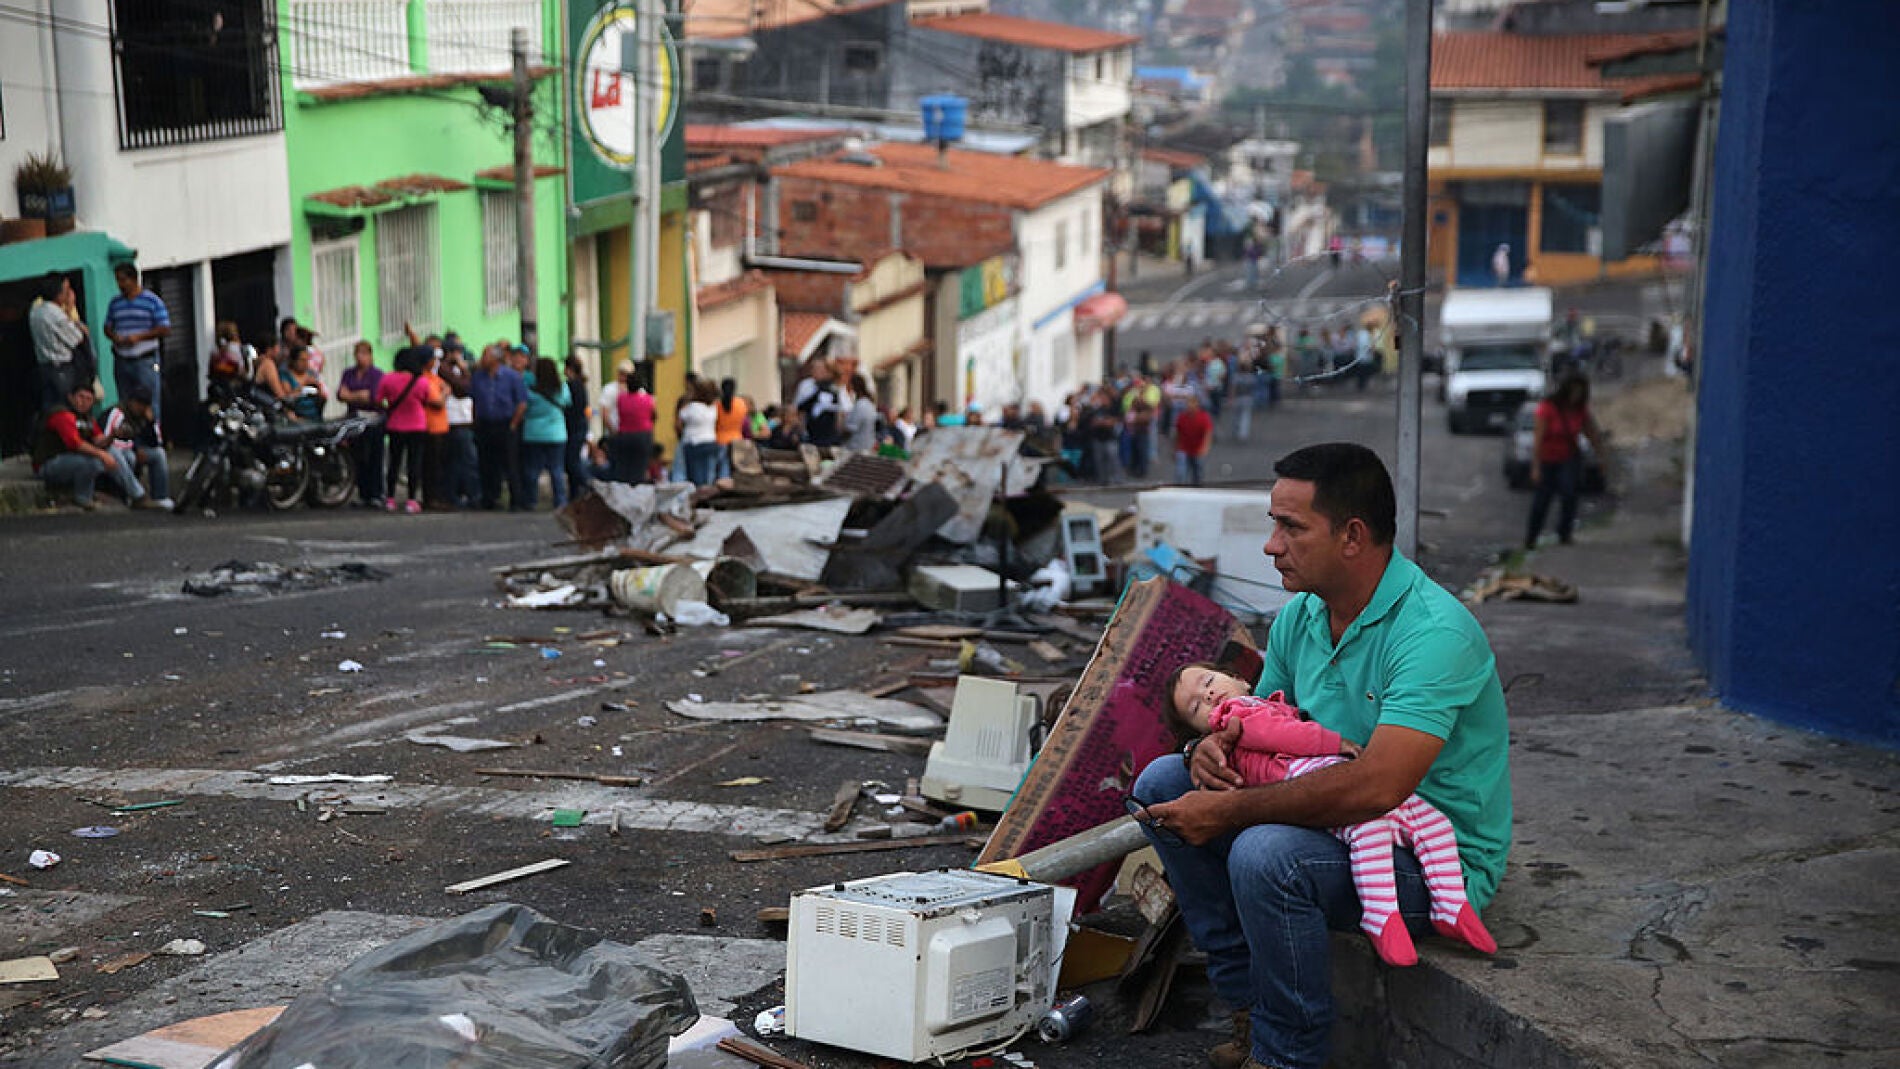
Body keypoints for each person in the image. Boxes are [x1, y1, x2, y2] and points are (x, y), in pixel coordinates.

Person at [1130, 443, 1511, 1069]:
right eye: (1274, 524)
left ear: (1353, 536)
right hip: (1336, 822)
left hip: (1424, 854)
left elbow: (1377, 787)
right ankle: (1249, 1007)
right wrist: (1206, 750)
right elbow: (1258, 722)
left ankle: (1289, 1057)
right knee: (1162, 781)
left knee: (1264, 853)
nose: (1270, 546)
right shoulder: (1302, 616)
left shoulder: (1434, 634)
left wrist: (1229, 812)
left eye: (1291, 527)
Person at [1162, 667, 1496, 967]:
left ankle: (1451, 906)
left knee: (1432, 821)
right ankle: (1381, 915)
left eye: (1207, 682)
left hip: (1330, 777)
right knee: (1367, 826)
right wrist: (1336, 743)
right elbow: (1283, 736)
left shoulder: (1260, 702)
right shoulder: (1238, 712)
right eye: (1196, 707)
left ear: (1240, 679)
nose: (1207, 695)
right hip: (1303, 773)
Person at [32, 383, 151, 510]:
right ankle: (83, 498)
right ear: (71, 397)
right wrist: (102, 454)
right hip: (49, 463)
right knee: (94, 461)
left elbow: (99, 441)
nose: (84, 402)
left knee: (116, 453)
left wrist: (112, 436)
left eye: (88, 399)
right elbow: (75, 443)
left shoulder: (88, 418)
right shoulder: (62, 414)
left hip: (72, 460)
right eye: (80, 397)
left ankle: (129, 495)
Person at [1525, 374, 1606, 549]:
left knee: (1569, 494)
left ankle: (1564, 533)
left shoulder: (1580, 410)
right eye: (1574, 391)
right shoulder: (1548, 408)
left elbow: (1592, 433)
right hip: (1547, 457)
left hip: (1568, 457)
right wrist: (1536, 467)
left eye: (1580, 392)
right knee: (1542, 500)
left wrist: (1600, 457)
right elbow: (1538, 439)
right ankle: (1531, 537)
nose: (1576, 395)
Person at [104, 263, 171, 427]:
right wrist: (115, 337)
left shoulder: (152, 301)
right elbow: (107, 326)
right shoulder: (115, 303)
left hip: (145, 360)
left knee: (150, 400)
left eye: (123, 280)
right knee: (125, 401)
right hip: (122, 359)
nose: (120, 285)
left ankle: (152, 437)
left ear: (134, 279)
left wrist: (139, 337)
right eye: (117, 280)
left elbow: (164, 328)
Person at [469, 343, 528, 509]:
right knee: (486, 463)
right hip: (485, 424)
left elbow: (521, 403)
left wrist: (513, 424)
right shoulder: (478, 377)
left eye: (486, 355)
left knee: (510, 463)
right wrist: (475, 421)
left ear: (495, 358)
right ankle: (489, 497)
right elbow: (474, 400)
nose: (483, 359)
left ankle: (516, 499)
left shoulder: (512, 377)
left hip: (505, 424)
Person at [376, 347, 433, 513]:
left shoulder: (387, 379)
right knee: (413, 463)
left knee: (394, 462)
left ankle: (390, 498)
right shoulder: (421, 381)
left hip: (395, 425)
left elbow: (379, 400)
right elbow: (426, 399)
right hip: (417, 425)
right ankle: (411, 500)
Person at [101, 382, 173, 510]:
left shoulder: (145, 417)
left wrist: (150, 423)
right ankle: (138, 496)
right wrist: (135, 449)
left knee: (158, 454)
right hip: (112, 452)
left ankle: (161, 497)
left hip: (132, 450)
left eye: (143, 404)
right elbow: (105, 441)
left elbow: (157, 442)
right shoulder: (118, 413)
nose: (139, 407)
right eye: (137, 403)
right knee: (128, 457)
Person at [29, 271, 91, 412]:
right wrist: (69, 310)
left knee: (49, 409)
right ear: (59, 293)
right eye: (66, 289)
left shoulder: (35, 311)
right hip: (61, 369)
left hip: (44, 367)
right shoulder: (56, 315)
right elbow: (77, 339)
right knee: (64, 409)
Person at [336, 341, 386, 508]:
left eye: (364, 353)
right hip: (354, 419)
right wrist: (356, 396)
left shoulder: (376, 374)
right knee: (357, 457)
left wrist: (351, 395)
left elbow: (371, 396)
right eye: (358, 353)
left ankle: (376, 493)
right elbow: (340, 394)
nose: (360, 357)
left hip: (373, 421)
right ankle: (363, 492)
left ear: (370, 356)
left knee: (374, 456)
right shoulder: (348, 373)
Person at [518, 357, 570, 510]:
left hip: (534, 433)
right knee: (557, 469)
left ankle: (531, 500)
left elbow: (524, 408)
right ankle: (560, 500)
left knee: (533, 468)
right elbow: (567, 402)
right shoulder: (562, 388)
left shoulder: (530, 390)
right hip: (557, 433)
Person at [610, 366, 656, 483]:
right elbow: (654, 416)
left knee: (624, 468)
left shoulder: (621, 399)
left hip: (625, 435)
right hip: (643, 435)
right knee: (640, 468)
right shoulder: (648, 399)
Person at [677, 379, 721, 486]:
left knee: (695, 476)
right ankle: (706, 494)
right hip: (710, 441)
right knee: (709, 475)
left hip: (693, 443)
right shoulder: (713, 408)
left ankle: (698, 495)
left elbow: (678, 423)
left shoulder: (691, 407)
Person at [562, 356, 593, 497]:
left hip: (573, 426)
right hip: (580, 425)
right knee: (573, 459)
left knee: (571, 461)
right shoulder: (581, 384)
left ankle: (588, 483)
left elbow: (569, 407)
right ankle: (574, 492)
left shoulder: (571, 385)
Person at [1173, 393, 1213, 486]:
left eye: (1191, 403)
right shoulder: (1181, 417)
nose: (1189, 405)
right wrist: (1175, 449)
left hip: (1197, 449)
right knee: (1180, 472)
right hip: (1183, 448)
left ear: (1197, 404)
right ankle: (1179, 489)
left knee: (1198, 472)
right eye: (1188, 403)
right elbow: (1177, 434)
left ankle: (1197, 487)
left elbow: (1208, 433)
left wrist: (1204, 447)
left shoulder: (1204, 417)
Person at [712, 377, 748, 479]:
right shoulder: (741, 403)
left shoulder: (716, 405)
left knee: (721, 468)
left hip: (719, 439)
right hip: (737, 439)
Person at [283, 345, 327, 421]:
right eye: (302, 360)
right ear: (294, 360)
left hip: (315, 416)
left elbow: (322, 398)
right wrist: (303, 386)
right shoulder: (286, 376)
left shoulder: (311, 373)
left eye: (307, 360)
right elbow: (287, 398)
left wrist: (318, 388)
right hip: (298, 418)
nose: (305, 363)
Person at [842, 374, 879, 452]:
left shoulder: (861, 405)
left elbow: (850, 428)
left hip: (857, 448)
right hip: (866, 446)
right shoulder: (868, 403)